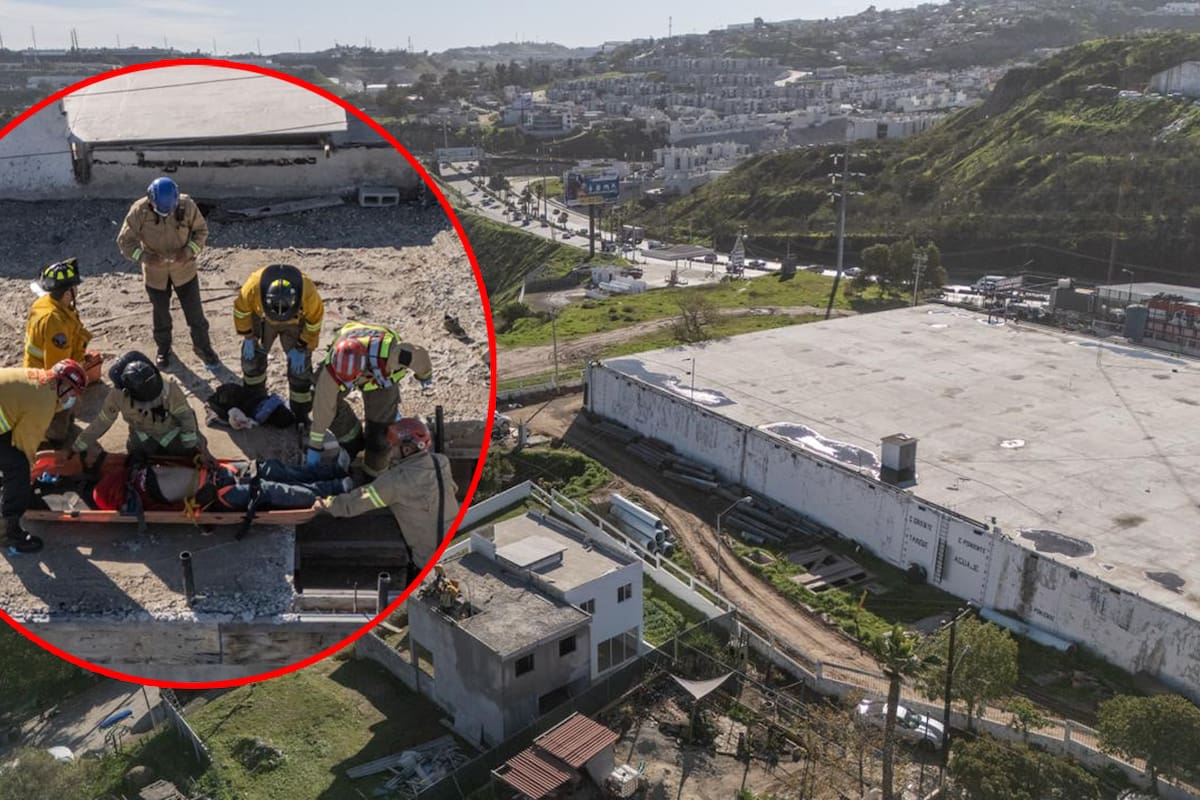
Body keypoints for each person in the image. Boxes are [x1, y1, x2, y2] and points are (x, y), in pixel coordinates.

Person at [315, 417, 458, 580]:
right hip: (454, 547)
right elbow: (453, 489)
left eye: (393, 446)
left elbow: (356, 502)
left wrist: (327, 504)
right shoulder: (441, 462)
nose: (389, 450)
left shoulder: (396, 481)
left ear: (407, 450)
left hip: (427, 564)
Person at [305, 321, 433, 477]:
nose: (349, 385)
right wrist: (314, 447)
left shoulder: (394, 355)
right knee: (324, 397)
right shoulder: (332, 369)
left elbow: (419, 356)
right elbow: (322, 407)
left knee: (380, 438)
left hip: (380, 378)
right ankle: (353, 440)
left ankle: (373, 473)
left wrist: (424, 375)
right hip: (354, 349)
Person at [117, 176, 218, 368]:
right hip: (156, 275)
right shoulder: (139, 211)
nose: (165, 215)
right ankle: (164, 349)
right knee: (160, 315)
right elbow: (125, 241)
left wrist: (188, 252)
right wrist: (145, 257)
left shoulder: (186, 205)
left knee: (195, 314)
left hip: (185, 271)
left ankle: (203, 347)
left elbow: (201, 231)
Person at [0, 360, 88, 552]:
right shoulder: (43, 402)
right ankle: (9, 533)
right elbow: (25, 444)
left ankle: (10, 492)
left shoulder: (41, 381)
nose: (72, 398)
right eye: (72, 393)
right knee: (18, 466)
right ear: (63, 385)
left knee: (12, 463)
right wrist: (28, 476)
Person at [72, 351, 207, 466]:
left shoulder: (168, 387)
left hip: (170, 431)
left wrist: (190, 446)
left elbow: (185, 415)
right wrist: (79, 445)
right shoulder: (118, 395)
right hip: (142, 434)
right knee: (136, 459)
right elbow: (102, 421)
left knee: (188, 452)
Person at [90, 456, 352, 514]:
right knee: (279, 486)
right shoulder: (141, 479)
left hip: (219, 479)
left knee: (276, 478)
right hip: (221, 486)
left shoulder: (141, 492)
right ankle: (337, 484)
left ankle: (335, 479)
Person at [233, 263, 324, 424]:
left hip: (296, 321)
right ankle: (256, 400)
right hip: (262, 319)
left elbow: (314, 322)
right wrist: (248, 336)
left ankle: (300, 412)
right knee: (252, 360)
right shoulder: (253, 286)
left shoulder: (307, 291)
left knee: (300, 369)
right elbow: (241, 311)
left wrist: (302, 346)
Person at [24, 258, 100, 447]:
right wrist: (70, 391)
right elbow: (59, 370)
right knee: (59, 421)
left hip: (38, 371)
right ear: (68, 293)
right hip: (48, 380)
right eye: (75, 287)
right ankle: (52, 441)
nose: (77, 290)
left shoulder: (46, 304)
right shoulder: (54, 321)